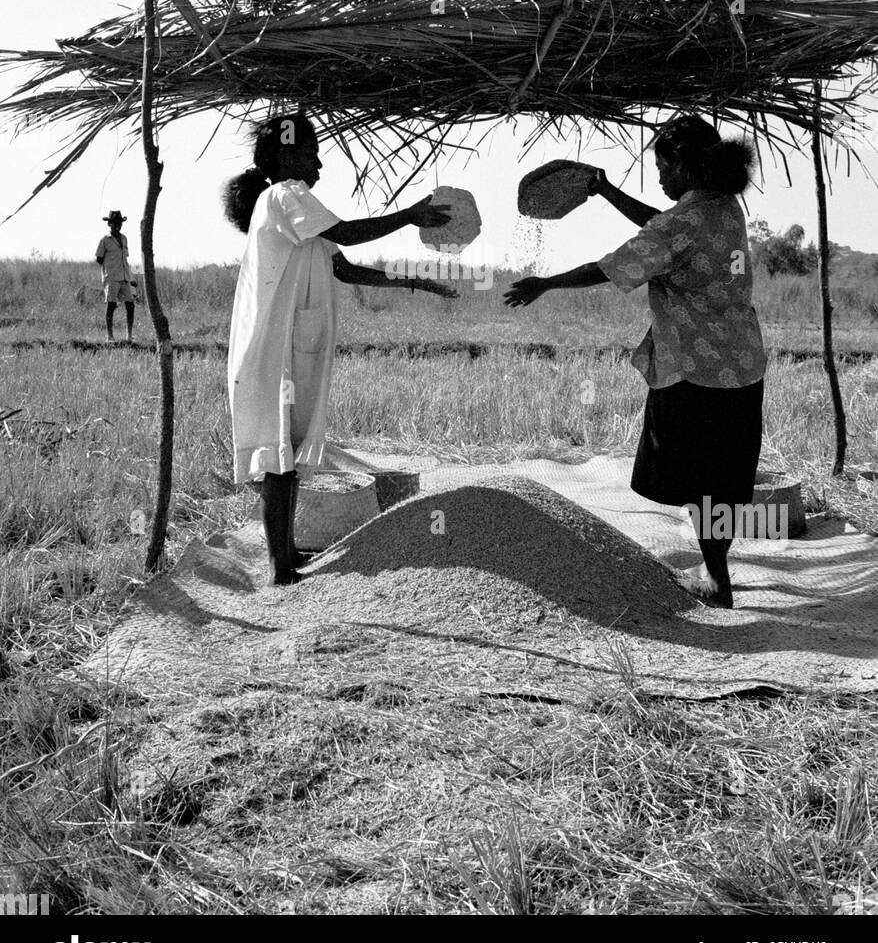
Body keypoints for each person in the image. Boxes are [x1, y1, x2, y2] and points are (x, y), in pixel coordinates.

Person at [504, 114, 766, 608]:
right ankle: (718, 572)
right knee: (724, 476)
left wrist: (545, 283)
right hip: (744, 365)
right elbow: (662, 226)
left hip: (694, 369)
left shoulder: (683, 220)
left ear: (684, 165)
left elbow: (613, 264)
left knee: (698, 476)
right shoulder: (724, 206)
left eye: (664, 168)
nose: (662, 179)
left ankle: (717, 582)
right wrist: (605, 191)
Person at [223, 112, 456, 586]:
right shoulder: (285, 196)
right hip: (274, 353)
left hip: (290, 350)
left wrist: (414, 282)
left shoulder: (302, 212)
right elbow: (348, 233)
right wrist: (410, 215)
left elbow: (346, 267)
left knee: (285, 456)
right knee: (277, 458)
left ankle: (285, 556)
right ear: (286, 157)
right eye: (311, 153)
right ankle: (279, 568)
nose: (319, 163)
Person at [95, 211, 136, 344]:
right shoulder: (104, 240)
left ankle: (129, 336)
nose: (117, 226)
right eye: (115, 223)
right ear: (109, 224)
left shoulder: (124, 238)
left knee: (130, 305)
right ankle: (110, 337)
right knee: (111, 305)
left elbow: (125, 258)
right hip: (111, 277)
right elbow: (99, 259)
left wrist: (131, 277)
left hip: (124, 277)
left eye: (119, 223)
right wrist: (109, 270)